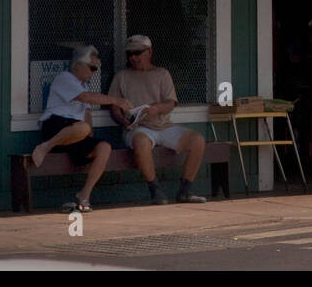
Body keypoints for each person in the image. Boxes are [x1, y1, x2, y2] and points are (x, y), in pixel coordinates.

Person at [108, 34, 209, 204]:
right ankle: (155, 190)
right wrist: (122, 120)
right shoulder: (122, 76)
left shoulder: (162, 74)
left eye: (138, 53)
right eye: (130, 54)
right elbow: (114, 106)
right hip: (137, 128)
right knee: (141, 142)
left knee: (198, 140)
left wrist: (157, 108)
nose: (133, 58)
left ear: (149, 52)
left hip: (163, 125)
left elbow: (171, 103)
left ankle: (185, 190)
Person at [32, 45, 131, 212]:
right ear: (78, 64)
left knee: (104, 147)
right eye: (92, 68)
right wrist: (116, 100)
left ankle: (84, 195)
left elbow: (86, 113)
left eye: (96, 69)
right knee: (82, 128)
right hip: (55, 126)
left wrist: (90, 137)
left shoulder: (83, 86)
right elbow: (85, 98)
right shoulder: (65, 79)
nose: (93, 73)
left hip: (76, 133)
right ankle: (45, 147)